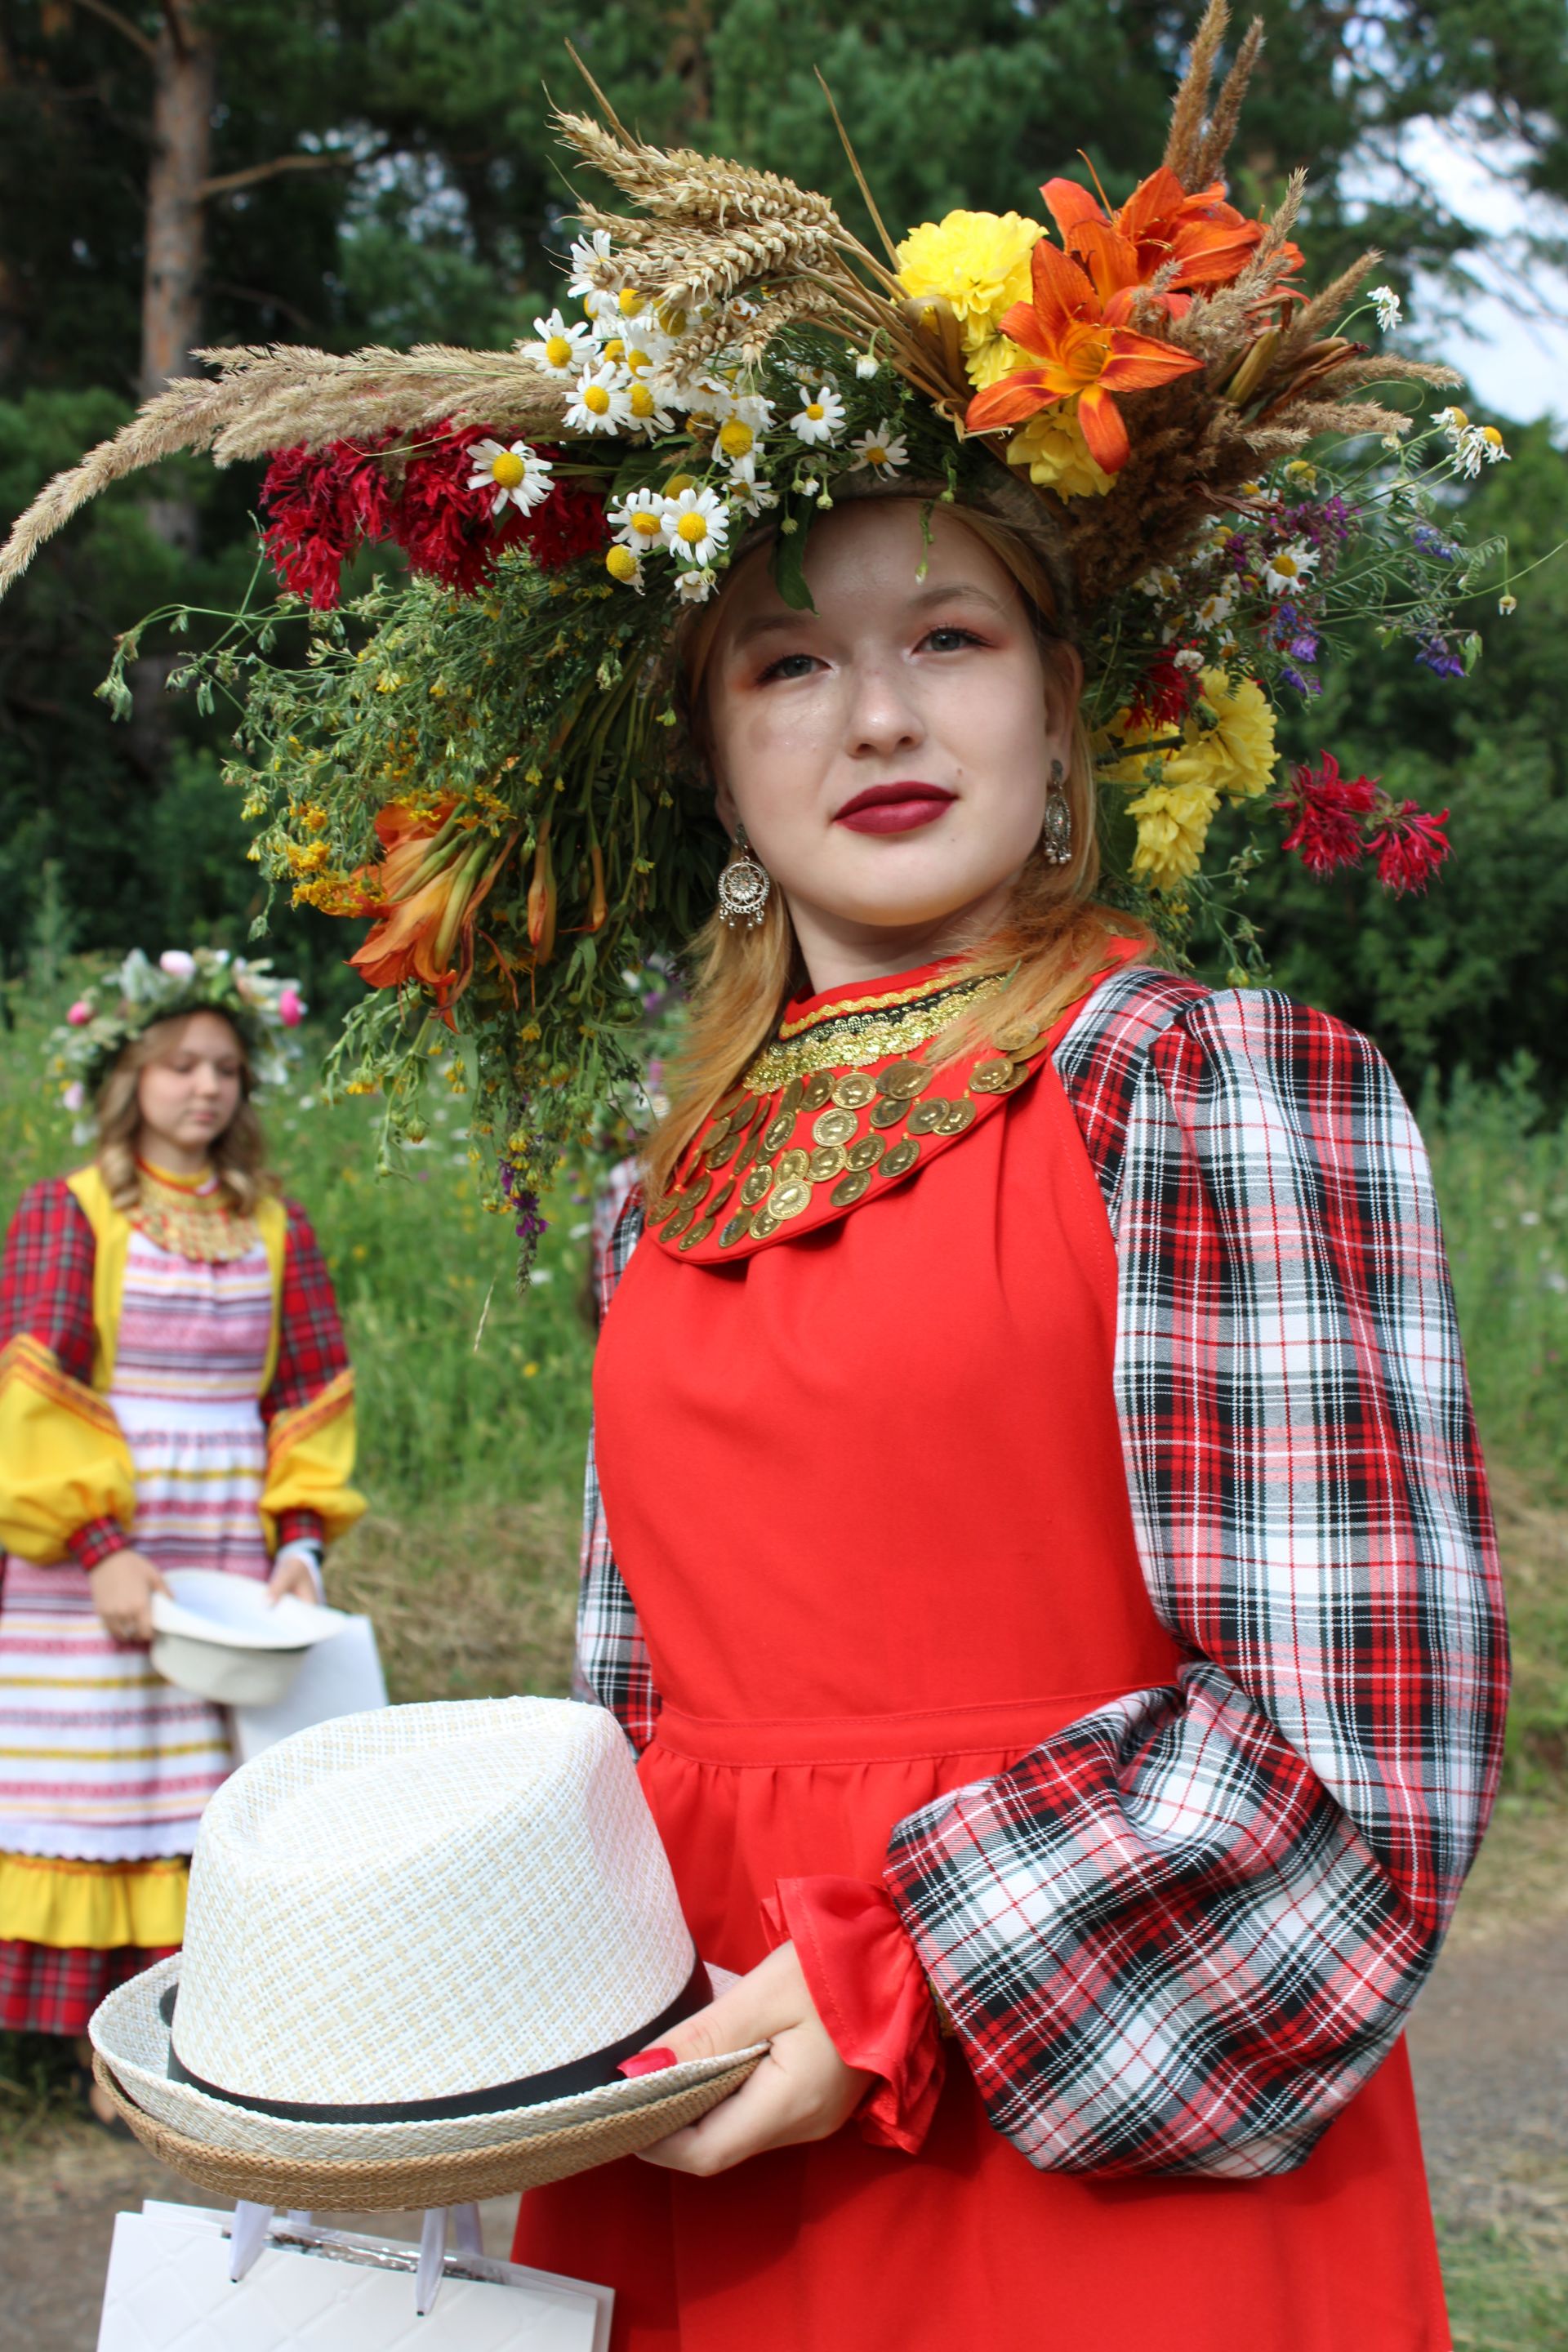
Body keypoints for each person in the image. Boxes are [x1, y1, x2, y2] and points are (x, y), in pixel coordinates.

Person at [0, 3, 1512, 2333]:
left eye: (952, 636)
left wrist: (887, 1988)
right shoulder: (666, 1182)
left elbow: (1351, 1765)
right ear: (714, 751)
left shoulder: (1203, 1093)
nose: (880, 716)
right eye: (789, 662)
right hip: (684, 2113)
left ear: (1061, 703)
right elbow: (632, 1732)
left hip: (1065, 2148)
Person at [0, 948, 362, 2124]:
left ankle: (183, 2036)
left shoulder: (271, 1225)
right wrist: (96, 1543)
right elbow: (36, 1380)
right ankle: (93, 2055)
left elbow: (306, 1392)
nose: (205, 1089)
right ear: (132, 1079)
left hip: (223, 1540)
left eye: (226, 1069)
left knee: (212, 1780)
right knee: (106, 1776)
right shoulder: (72, 1211)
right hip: (102, 1541)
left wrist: (299, 1541)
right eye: (180, 1067)